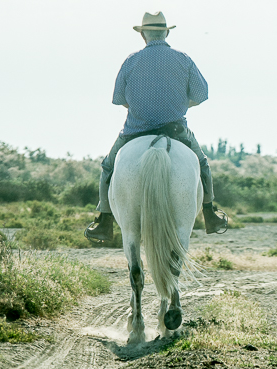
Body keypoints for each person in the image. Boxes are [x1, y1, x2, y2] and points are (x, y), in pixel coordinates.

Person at [85, 11, 228, 242]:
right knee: (202, 165)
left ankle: (104, 219)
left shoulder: (131, 61)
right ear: (166, 32)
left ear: (143, 35)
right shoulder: (184, 59)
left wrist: (142, 108)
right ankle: (210, 213)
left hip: (135, 131)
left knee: (108, 167)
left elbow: (119, 98)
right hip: (176, 130)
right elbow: (201, 95)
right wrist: (181, 105)